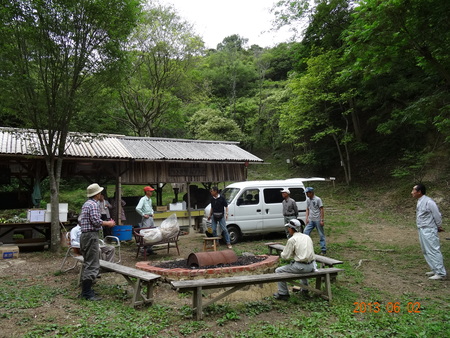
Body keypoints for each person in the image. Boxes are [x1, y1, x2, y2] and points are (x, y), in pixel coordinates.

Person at [79, 183, 115, 301]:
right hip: (90, 235)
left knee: (87, 261)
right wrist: (108, 223)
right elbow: (95, 221)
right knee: (93, 263)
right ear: (97, 194)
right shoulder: (94, 205)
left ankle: (86, 289)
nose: (101, 194)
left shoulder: (86, 204)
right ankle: (87, 293)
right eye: (100, 192)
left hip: (84, 235)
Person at [273, 219, 315, 300]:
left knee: (278, 271)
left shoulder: (292, 239)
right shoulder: (307, 237)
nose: (288, 230)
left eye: (288, 228)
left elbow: (285, 256)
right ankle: (305, 290)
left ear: (291, 229)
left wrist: (282, 253)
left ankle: (283, 293)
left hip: (301, 267)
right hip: (311, 266)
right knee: (301, 267)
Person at [411, 184, 447, 280]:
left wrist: (438, 226)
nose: (412, 192)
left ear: (419, 192)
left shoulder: (429, 202)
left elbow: (437, 215)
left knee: (433, 250)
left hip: (429, 229)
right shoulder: (420, 201)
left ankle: (440, 272)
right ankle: (435, 269)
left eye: (413, 190)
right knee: (425, 250)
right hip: (422, 228)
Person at [303, 187, 327, 255]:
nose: (307, 194)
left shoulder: (318, 199)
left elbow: (321, 209)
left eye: (307, 193)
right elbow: (307, 209)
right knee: (305, 232)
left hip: (317, 219)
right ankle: (307, 248)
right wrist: (307, 218)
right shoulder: (308, 200)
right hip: (311, 219)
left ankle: (323, 249)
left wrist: (322, 220)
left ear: (311, 193)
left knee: (321, 234)